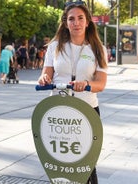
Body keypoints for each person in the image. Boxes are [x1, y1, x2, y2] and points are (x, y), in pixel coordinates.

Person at [37, 1, 107, 183]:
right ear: (66, 22)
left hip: (87, 110)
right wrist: (44, 79)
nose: (76, 23)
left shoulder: (98, 49)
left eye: (80, 18)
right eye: (71, 19)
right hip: (58, 111)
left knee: (86, 164)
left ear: (88, 21)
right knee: (61, 162)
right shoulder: (54, 47)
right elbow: (46, 74)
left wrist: (86, 83)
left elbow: (100, 84)